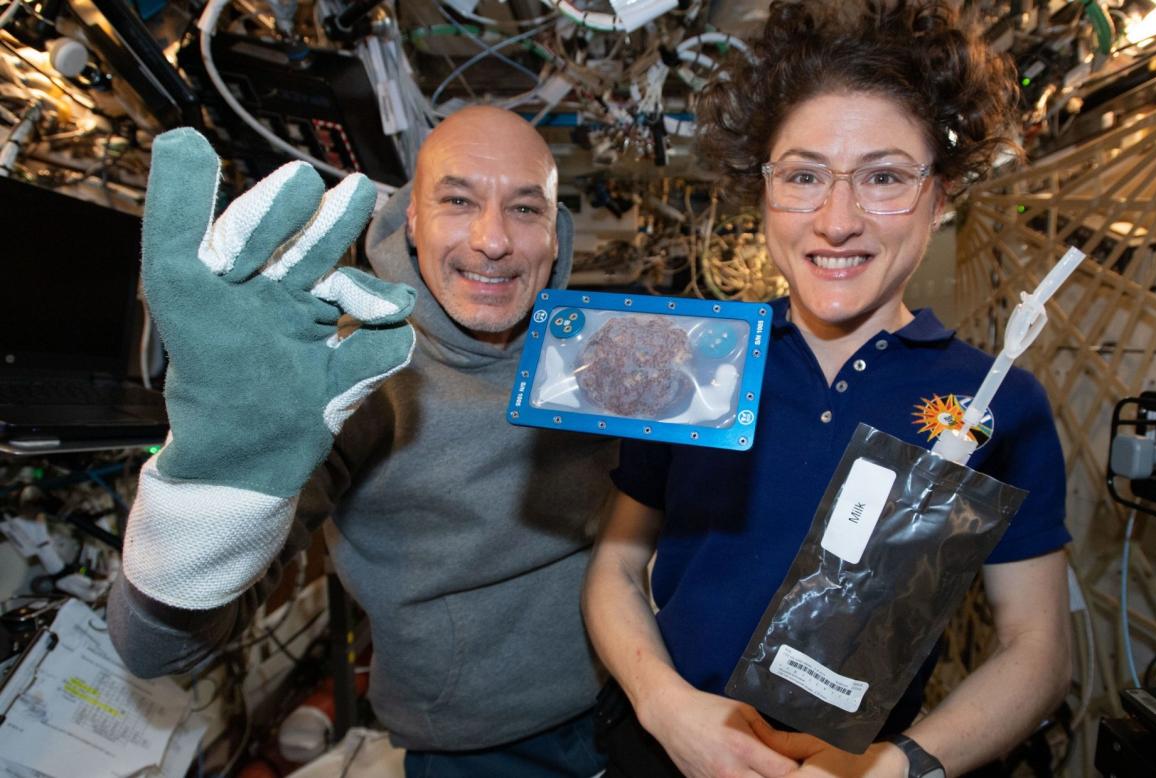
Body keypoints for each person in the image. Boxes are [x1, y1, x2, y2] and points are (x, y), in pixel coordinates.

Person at [582, 2, 1073, 777]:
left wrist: (904, 765)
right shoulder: (690, 360)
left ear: (940, 197)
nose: (836, 221)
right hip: (658, 750)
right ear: (764, 189)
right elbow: (615, 565)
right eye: (805, 176)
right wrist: (665, 708)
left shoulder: (996, 403)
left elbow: (1037, 647)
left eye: (882, 177)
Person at [108, 106, 616, 777]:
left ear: (555, 233)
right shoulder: (353, 376)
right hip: (481, 745)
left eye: (525, 209)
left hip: (628, 692)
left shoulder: (597, 346)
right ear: (411, 217)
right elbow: (155, 652)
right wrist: (208, 493)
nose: (493, 239)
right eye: (459, 200)